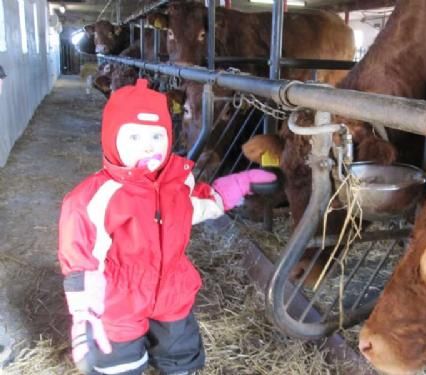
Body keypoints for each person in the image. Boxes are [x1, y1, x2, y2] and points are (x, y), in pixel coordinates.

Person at [58, 78, 276, 375]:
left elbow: (193, 205)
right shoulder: (96, 196)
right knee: (118, 362)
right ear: (111, 138)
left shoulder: (177, 182)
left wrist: (236, 185)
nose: (148, 146)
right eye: (134, 138)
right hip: (119, 298)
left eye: (157, 136)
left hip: (172, 289)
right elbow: (80, 253)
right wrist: (84, 310)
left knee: (180, 353)